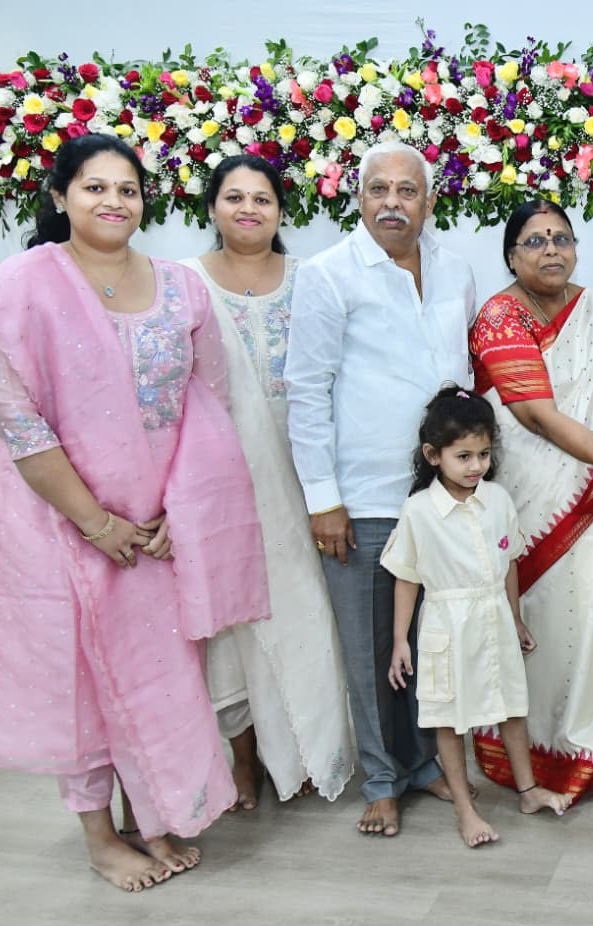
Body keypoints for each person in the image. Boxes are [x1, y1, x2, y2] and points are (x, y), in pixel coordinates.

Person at [0, 134, 269, 891]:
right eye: (95, 186)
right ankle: (101, 838)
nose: (113, 201)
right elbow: (17, 420)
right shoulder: (24, 284)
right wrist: (94, 522)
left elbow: (208, 404)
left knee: (161, 671)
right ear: (61, 196)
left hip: (155, 527)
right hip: (59, 518)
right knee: (81, 678)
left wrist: (178, 511)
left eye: (127, 189)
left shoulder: (180, 287)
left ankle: (153, 815)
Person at [285, 140, 476, 837]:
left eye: (407, 190)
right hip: (362, 499)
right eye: (378, 189)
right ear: (358, 197)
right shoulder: (329, 274)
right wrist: (323, 499)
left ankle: (425, 765)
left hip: (440, 496)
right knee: (370, 653)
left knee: (431, 640)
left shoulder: (455, 269)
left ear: (429, 200)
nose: (392, 203)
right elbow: (306, 391)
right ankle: (381, 779)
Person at [469, 199, 593, 801]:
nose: (551, 249)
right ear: (511, 256)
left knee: (590, 610)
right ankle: (538, 743)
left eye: (561, 238)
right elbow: (534, 413)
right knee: (540, 617)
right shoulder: (500, 316)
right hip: (531, 496)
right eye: (534, 241)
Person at [181, 155, 353, 810]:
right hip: (220, 475)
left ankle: (311, 750)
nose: (248, 209)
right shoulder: (185, 283)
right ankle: (245, 758)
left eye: (262, 198)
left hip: (304, 470)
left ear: (282, 210)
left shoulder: (312, 280)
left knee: (306, 607)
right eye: (234, 197)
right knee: (232, 621)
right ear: (212, 207)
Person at [382, 387, 574, 847]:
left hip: (494, 619)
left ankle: (528, 792)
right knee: (449, 718)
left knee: (511, 706)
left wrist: (516, 618)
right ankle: (465, 811)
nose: (475, 466)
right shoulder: (419, 511)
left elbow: (509, 564)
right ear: (433, 455)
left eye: (483, 454)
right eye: (463, 456)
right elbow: (406, 578)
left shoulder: (498, 501)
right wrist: (400, 640)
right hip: (447, 626)